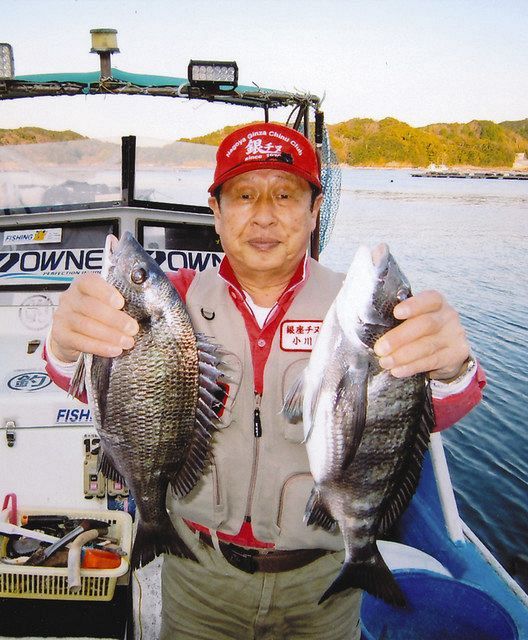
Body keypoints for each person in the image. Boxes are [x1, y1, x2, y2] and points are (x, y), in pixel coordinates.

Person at [45, 122, 486, 639]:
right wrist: (68, 340)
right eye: (244, 195)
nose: (264, 215)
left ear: (314, 210)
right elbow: (96, 384)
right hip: (200, 577)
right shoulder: (176, 301)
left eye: (285, 194)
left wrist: (450, 367)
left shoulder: (363, 309)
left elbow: (429, 409)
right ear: (216, 211)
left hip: (323, 584)